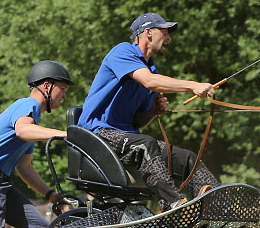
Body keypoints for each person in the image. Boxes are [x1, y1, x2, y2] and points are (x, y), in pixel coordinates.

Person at [78, 12, 221, 211]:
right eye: (164, 31)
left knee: (186, 157)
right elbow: (149, 82)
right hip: (97, 135)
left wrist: (153, 111)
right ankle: (173, 204)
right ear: (148, 33)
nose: (169, 37)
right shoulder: (123, 52)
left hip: (125, 138)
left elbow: (137, 121)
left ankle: (218, 203)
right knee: (146, 144)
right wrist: (193, 85)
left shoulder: (152, 70)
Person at [0, 61, 71, 228]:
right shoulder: (27, 105)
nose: (64, 95)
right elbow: (22, 130)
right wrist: (65, 134)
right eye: (62, 88)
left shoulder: (32, 121)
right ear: (47, 86)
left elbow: (24, 167)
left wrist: (50, 195)